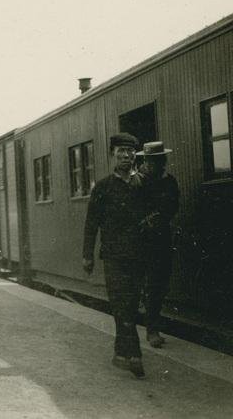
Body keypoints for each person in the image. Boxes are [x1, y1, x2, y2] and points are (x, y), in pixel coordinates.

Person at [83, 132, 147, 379]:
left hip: (138, 256)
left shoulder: (142, 184)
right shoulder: (103, 187)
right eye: (121, 151)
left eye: (130, 151)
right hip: (113, 257)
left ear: (135, 154)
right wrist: (86, 255)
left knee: (129, 306)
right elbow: (91, 224)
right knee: (121, 304)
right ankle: (135, 355)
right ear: (113, 155)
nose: (126, 156)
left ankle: (120, 351)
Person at [136, 141, 180, 349]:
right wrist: (145, 220)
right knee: (150, 284)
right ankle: (151, 330)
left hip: (162, 238)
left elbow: (173, 205)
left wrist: (159, 217)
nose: (158, 164)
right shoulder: (137, 182)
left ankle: (153, 325)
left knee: (161, 283)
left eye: (161, 160)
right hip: (142, 241)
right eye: (153, 160)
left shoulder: (169, 181)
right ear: (145, 160)